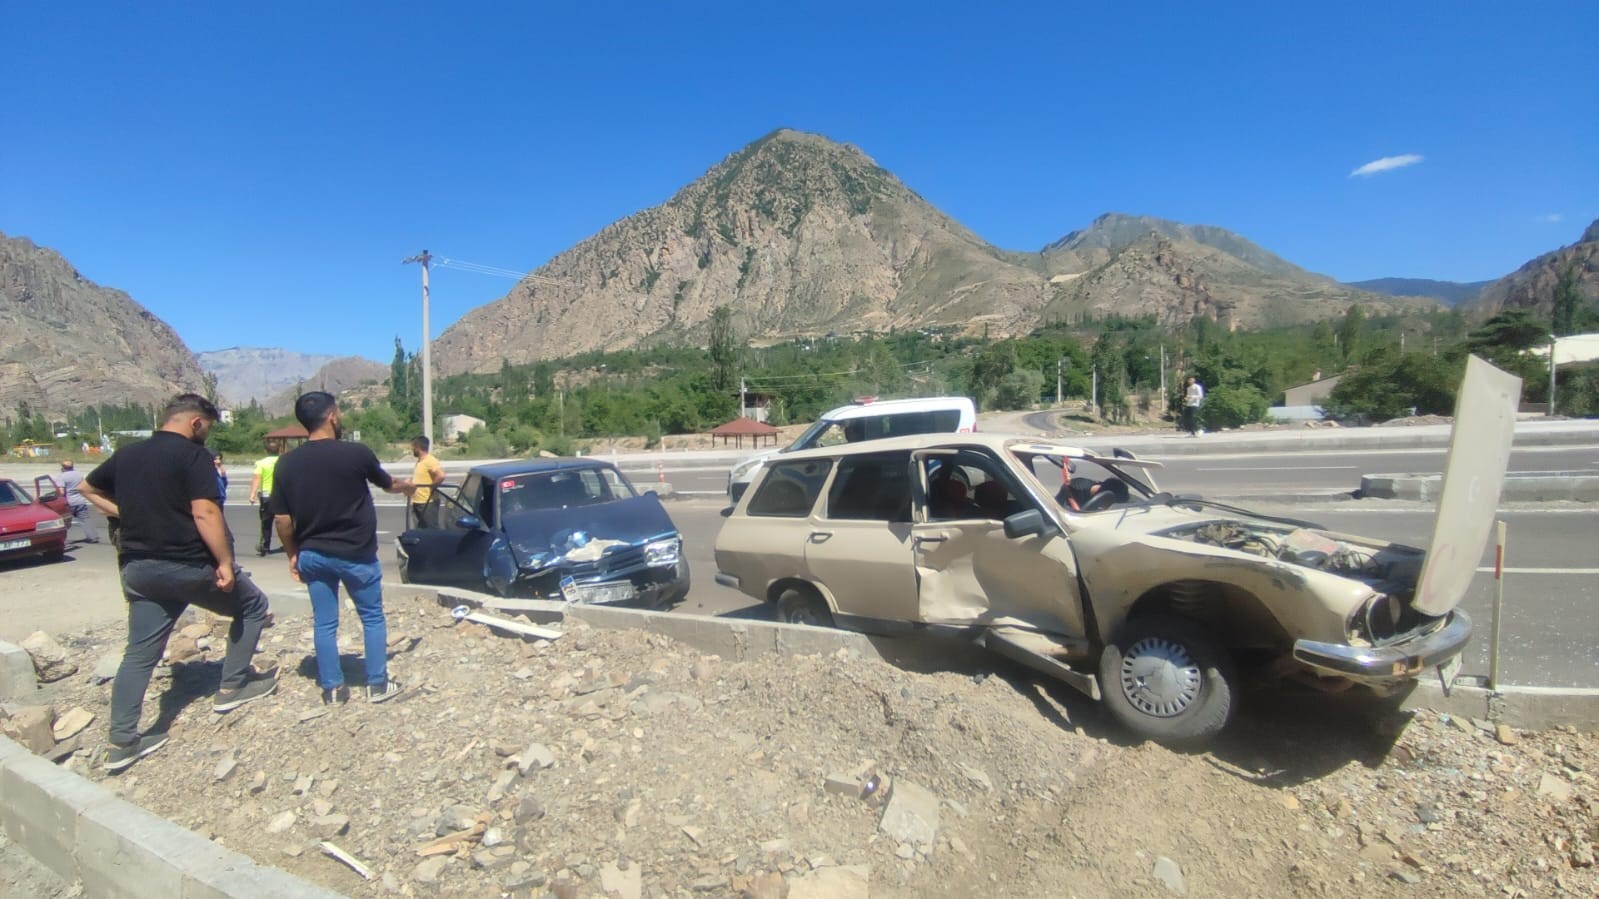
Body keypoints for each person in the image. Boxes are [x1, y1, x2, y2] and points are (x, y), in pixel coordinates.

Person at [79, 394, 277, 773]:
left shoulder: (128, 454)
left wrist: (129, 514)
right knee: (252, 606)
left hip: (138, 569)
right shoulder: (193, 456)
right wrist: (224, 562)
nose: (206, 435)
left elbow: (87, 489)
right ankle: (232, 687)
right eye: (208, 428)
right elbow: (204, 512)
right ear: (195, 424)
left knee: (139, 654)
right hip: (186, 566)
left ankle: (121, 742)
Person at [271, 392, 413, 705]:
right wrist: (408, 487)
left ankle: (333, 689)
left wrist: (292, 553)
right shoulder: (356, 454)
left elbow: (282, 520)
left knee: (324, 622)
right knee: (372, 618)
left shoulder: (286, 463)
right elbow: (388, 484)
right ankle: (376, 685)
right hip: (357, 555)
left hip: (313, 555)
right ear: (333, 416)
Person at [248, 438, 282, 555]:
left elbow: (257, 479)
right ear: (279, 450)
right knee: (285, 520)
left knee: (266, 522)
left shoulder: (261, 463)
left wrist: (252, 494)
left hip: (267, 495)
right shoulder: (283, 461)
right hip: (282, 495)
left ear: (266, 450)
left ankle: (265, 546)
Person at [57, 460, 99, 544]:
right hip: (80, 501)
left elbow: (61, 492)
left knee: (65, 521)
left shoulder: (62, 477)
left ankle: (61, 539)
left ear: (63, 467)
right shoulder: (79, 475)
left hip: (69, 502)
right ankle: (93, 537)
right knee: (85, 519)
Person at [408, 436, 445, 529]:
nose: (412, 449)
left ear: (417, 447)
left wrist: (432, 486)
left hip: (428, 502)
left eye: (412, 447)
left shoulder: (430, 460)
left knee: (431, 531)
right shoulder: (420, 461)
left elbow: (441, 475)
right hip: (418, 502)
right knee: (420, 531)